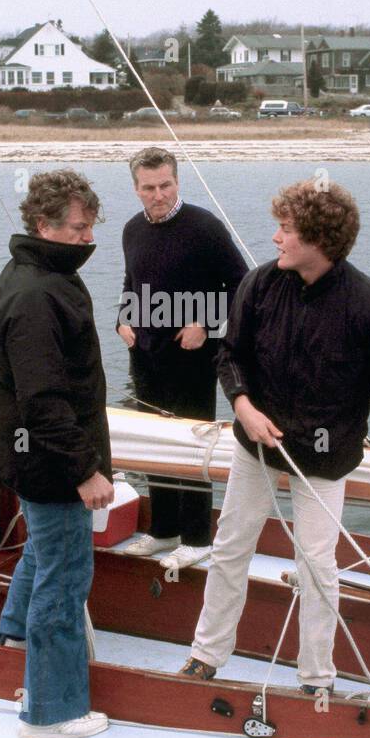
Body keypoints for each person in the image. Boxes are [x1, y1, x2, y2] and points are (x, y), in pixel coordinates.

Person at [180, 178, 370, 693]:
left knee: (316, 567)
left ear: (319, 240)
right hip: (256, 446)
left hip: (325, 459)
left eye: (285, 229)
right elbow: (230, 354)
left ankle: (316, 679)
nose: (275, 238)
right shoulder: (259, 285)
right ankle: (206, 654)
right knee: (230, 547)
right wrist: (242, 406)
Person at [0, 169, 115, 738]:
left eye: (90, 228)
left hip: (36, 462)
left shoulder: (36, 271)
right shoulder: (38, 295)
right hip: (54, 464)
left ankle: (13, 635)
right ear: (45, 226)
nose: (89, 239)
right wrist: (85, 470)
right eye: (80, 229)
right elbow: (42, 401)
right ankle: (52, 712)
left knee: (42, 550)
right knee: (64, 580)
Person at [116, 147, 249, 572]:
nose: (159, 195)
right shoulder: (131, 230)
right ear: (136, 189)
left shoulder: (204, 227)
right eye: (149, 188)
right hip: (146, 354)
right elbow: (130, 282)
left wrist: (206, 325)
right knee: (155, 441)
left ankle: (196, 538)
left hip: (193, 356)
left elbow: (242, 285)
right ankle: (164, 531)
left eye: (166, 185)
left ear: (178, 182)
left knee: (191, 445)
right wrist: (122, 319)